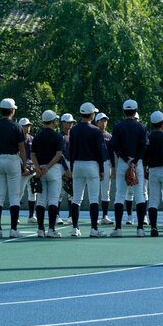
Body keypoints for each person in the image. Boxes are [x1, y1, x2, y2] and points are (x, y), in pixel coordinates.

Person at [68, 102, 107, 238]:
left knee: (76, 198)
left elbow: (71, 151)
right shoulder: (96, 130)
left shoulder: (73, 130)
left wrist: (72, 167)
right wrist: (102, 169)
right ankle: (94, 229)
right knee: (93, 198)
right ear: (91, 114)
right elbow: (100, 152)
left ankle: (75, 228)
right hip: (91, 165)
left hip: (77, 164)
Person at [110, 99, 148, 237]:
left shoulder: (118, 127)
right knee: (139, 195)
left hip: (122, 162)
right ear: (135, 111)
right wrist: (135, 161)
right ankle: (140, 229)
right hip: (137, 163)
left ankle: (118, 228)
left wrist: (126, 160)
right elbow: (144, 146)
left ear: (124, 111)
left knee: (120, 194)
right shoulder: (141, 127)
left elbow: (115, 146)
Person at [0, 98, 26, 238]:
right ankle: (13, 229)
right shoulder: (16, 126)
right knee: (14, 196)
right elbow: (22, 149)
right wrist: (24, 165)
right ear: (12, 110)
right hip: (12, 159)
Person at [31, 109, 66, 238]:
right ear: (53, 121)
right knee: (53, 200)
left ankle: (40, 229)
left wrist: (38, 168)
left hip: (40, 170)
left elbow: (33, 154)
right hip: (54, 169)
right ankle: (51, 230)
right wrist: (48, 167)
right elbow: (59, 154)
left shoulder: (37, 136)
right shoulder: (58, 136)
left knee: (41, 200)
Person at [95, 113, 114, 224]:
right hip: (94, 164)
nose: (104, 122)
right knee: (95, 191)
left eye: (105, 120)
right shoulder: (93, 134)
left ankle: (105, 216)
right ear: (97, 122)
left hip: (106, 164)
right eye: (101, 120)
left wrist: (114, 167)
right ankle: (95, 215)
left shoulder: (109, 136)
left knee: (105, 190)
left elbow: (111, 153)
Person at [18, 117, 36, 221]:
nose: (28, 127)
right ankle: (16, 216)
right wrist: (23, 168)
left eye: (29, 125)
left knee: (33, 191)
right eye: (26, 126)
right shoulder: (17, 139)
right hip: (22, 170)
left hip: (31, 169)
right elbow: (18, 155)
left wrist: (34, 167)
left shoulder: (32, 138)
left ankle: (31, 216)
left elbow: (34, 154)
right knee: (19, 193)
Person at [58, 113, 74, 223]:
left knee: (71, 192)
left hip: (72, 165)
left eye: (72, 122)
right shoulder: (59, 136)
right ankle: (56, 215)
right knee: (59, 192)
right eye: (68, 122)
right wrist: (66, 169)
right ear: (63, 123)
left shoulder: (73, 136)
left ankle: (71, 216)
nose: (71, 124)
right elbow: (60, 155)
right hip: (61, 165)